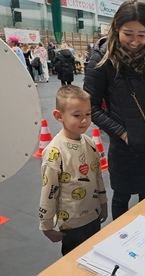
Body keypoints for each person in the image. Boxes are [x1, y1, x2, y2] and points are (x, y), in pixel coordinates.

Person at [83, 0, 145, 220]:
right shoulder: (102, 59)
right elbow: (91, 107)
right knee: (121, 197)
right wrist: (123, 133)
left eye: (141, 35)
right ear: (116, 27)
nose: (135, 41)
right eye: (128, 33)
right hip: (125, 144)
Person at [38, 85, 108, 256]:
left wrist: (103, 203)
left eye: (88, 114)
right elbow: (49, 191)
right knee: (74, 260)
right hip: (71, 223)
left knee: (94, 255)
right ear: (58, 116)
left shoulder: (90, 143)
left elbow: (98, 176)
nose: (84, 120)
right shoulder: (55, 152)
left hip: (93, 215)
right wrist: (46, 226)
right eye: (77, 115)